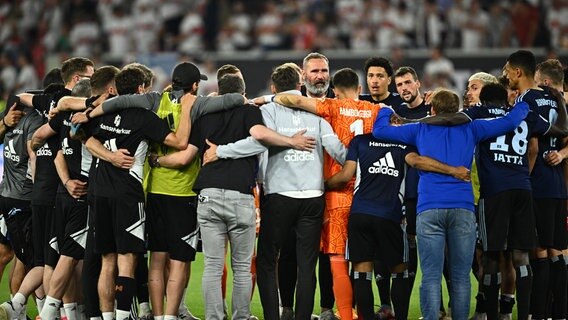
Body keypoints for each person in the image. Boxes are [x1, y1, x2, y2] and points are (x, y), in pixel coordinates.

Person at [373, 88, 529, 320]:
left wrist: (385, 110)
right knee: (460, 277)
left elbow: (380, 131)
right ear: (456, 109)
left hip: (429, 207)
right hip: (463, 208)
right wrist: (523, 102)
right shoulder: (472, 127)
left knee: (432, 277)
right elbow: (511, 120)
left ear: (433, 110)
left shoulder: (419, 128)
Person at [207, 64, 344, 320]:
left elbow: (256, 142)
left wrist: (221, 151)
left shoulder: (266, 112)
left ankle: (274, 316)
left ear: (273, 88)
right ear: (300, 86)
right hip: (313, 197)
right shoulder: (316, 115)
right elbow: (337, 149)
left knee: (269, 261)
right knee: (307, 265)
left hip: (279, 196)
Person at [268, 68, 380, 320]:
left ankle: (343, 315)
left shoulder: (331, 106)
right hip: (367, 193)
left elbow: (294, 99)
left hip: (336, 192)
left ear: (335, 91)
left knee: (337, 259)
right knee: (362, 261)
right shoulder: (377, 111)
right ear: (359, 89)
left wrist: (269, 98)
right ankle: (362, 314)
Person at [325, 130, 470, 320]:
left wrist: (323, 185)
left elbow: (345, 176)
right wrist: (453, 170)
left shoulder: (360, 141)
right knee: (399, 271)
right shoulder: (404, 146)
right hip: (389, 216)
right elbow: (418, 162)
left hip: (360, 214)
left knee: (361, 273)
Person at [502, 51, 567, 320]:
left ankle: (538, 313)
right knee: (558, 252)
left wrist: (523, 179)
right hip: (558, 185)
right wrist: (562, 155)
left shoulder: (526, 101)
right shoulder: (555, 99)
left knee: (538, 251)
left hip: (536, 183)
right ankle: (560, 312)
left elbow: (532, 145)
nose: (505, 75)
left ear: (518, 72)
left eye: (507, 70)